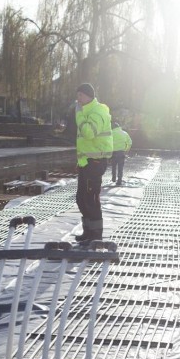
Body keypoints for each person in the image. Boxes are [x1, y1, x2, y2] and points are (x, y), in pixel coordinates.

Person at [73, 83, 113, 244]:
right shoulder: (87, 111)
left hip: (95, 162)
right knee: (81, 198)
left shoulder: (98, 112)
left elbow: (89, 133)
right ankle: (88, 231)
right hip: (86, 162)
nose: (78, 99)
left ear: (89, 96)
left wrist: (79, 115)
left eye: (80, 96)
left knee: (90, 198)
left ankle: (96, 235)